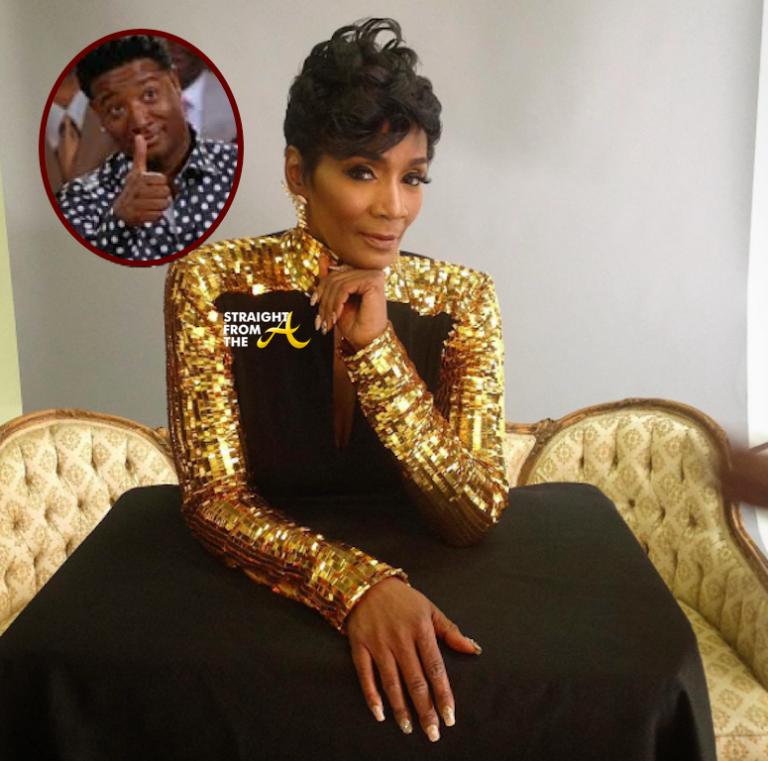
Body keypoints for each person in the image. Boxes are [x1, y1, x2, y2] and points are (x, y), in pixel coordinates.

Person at [165, 19, 714, 757]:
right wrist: (354, 586)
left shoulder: (461, 299)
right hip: (262, 599)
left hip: (443, 587)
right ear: (298, 173)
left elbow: (473, 512)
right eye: (362, 171)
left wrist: (376, 351)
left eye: (413, 176)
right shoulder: (217, 286)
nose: (394, 206)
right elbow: (213, 498)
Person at [56, 35, 237, 262]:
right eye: (116, 109)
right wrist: (119, 223)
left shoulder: (235, 166)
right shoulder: (78, 202)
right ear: (99, 116)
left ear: (175, 83)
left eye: (149, 95)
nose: (140, 121)